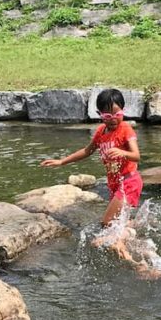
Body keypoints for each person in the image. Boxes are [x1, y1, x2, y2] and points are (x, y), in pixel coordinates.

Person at [40, 88, 142, 228]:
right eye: (107, 116)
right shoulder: (101, 132)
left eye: (117, 114)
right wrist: (62, 161)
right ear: (99, 114)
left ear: (123, 110)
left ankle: (129, 240)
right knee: (118, 224)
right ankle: (137, 237)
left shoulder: (125, 129)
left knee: (108, 223)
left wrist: (122, 152)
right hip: (115, 184)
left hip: (129, 182)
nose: (113, 119)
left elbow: (136, 156)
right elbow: (87, 151)